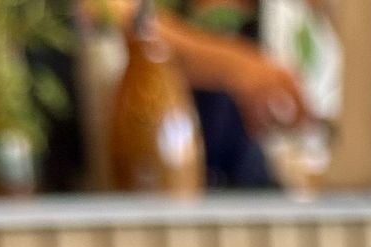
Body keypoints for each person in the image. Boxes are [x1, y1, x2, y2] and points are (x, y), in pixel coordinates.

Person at [98, 0, 310, 188]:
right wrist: (237, 67)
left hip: (251, 183)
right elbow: (113, 13)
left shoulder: (286, 15)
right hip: (155, 177)